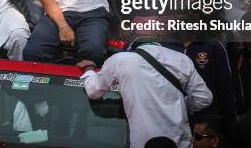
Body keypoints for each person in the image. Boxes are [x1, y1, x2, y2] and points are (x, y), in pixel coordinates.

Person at [77, 37, 213, 148]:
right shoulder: (182, 59)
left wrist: (89, 69)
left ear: (132, 48)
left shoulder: (120, 59)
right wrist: (181, 107)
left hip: (142, 143)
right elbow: (204, 98)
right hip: (179, 143)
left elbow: (93, 92)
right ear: (158, 45)